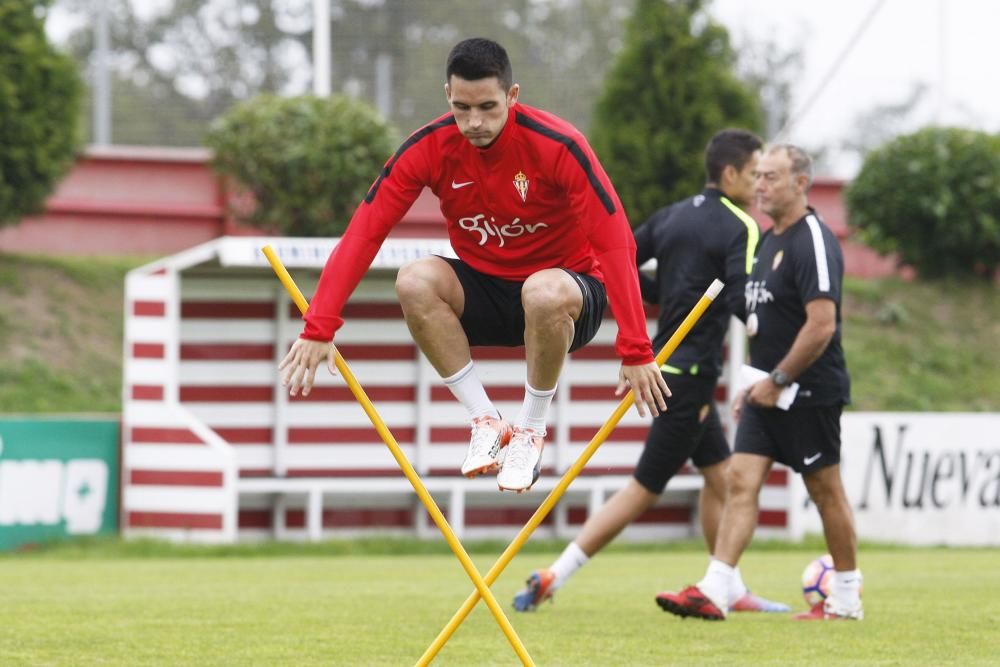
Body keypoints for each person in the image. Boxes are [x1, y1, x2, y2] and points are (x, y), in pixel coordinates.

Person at [278, 38, 669, 493]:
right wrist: (319, 325)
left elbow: (616, 243)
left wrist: (636, 347)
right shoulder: (429, 147)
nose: (475, 122)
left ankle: (530, 431)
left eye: (488, 106)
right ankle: (486, 421)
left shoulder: (559, 145)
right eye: (462, 108)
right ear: (448, 95)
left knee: (541, 291)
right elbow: (365, 231)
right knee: (414, 280)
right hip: (486, 292)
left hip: (567, 296)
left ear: (513, 96)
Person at [512, 129, 788, 615]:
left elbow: (615, 259)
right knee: (645, 487)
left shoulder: (672, 216)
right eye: (753, 174)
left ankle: (727, 585)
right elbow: (747, 300)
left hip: (665, 363)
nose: (758, 186)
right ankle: (556, 573)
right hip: (690, 372)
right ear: (731, 174)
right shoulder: (742, 226)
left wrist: (665, 290)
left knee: (720, 478)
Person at [656, 144, 862, 621]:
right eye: (759, 176)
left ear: (801, 184)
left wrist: (780, 378)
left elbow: (821, 324)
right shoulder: (768, 240)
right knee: (740, 481)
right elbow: (762, 322)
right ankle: (716, 589)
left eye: (771, 177)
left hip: (810, 390)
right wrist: (754, 384)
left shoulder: (813, 238)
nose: (760, 185)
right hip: (766, 390)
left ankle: (847, 598)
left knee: (825, 490)